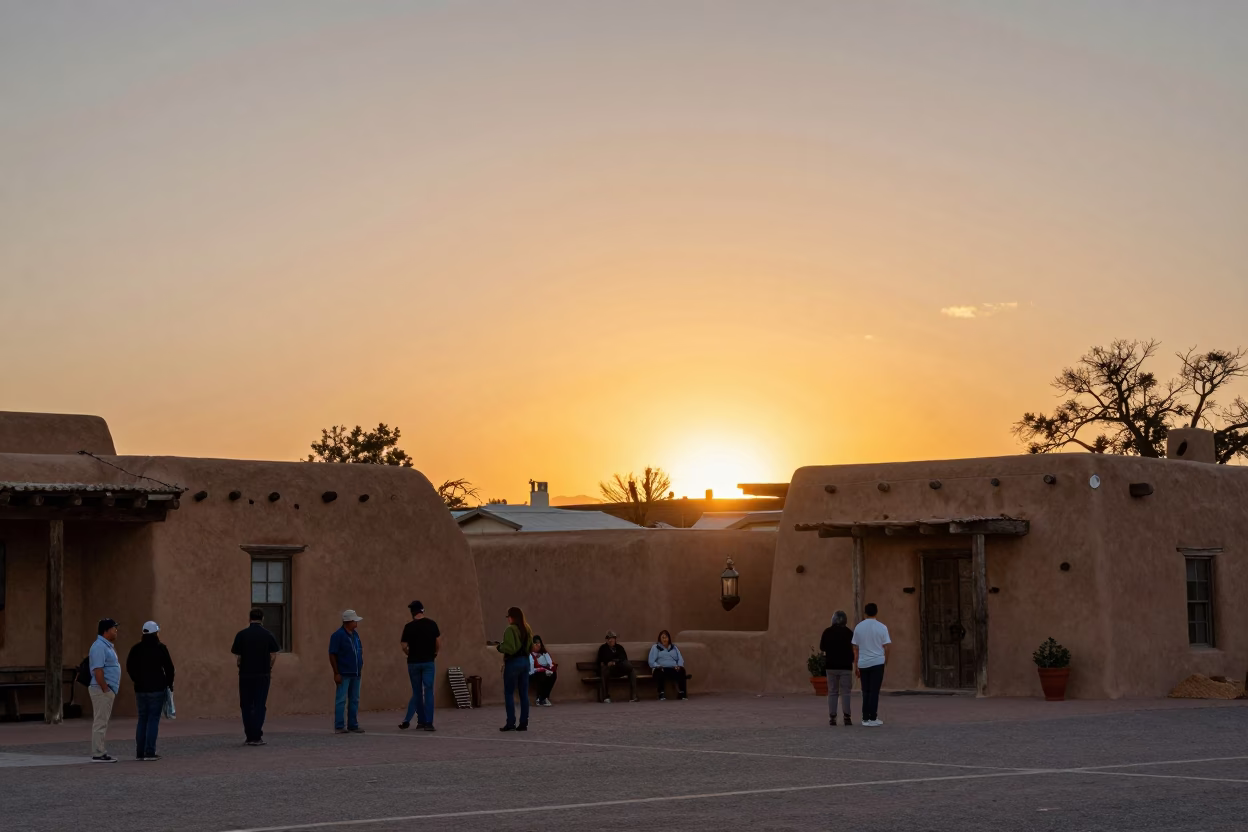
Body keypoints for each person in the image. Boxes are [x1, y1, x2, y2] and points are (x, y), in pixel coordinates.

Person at [125, 620, 175, 760]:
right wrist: (169, 684)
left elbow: (129, 667)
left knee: (142, 719)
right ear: (156, 632)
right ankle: (150, 752)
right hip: (157, 688)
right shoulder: (160, 648)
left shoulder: (136, 648)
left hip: (140, 689)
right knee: (153, 719)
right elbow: (169, 668)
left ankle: (139, 752)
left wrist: (136, 680)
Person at [231, 608, 280, 746]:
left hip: (245, 674)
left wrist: (241, 666)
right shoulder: (268, 635)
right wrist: (269, 667)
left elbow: (238, 657)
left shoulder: (241, 635)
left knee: (246, 705)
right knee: (259, 705)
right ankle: (257, 735)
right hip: (262, 674)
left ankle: (249, 735)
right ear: (262, 619)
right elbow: (273, 654)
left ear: (249, 618)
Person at [399, 600, 441, 732]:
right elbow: (438, 642)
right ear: (422, 610)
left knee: (417, 692)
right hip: (428, 661)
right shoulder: (432, 624)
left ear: (412, 613)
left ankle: (421, 721)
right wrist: (434, 653)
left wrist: (409, 653)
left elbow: (403, 645)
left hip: (413, 663)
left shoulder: (408, 626)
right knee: (428, 691)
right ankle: (429, 722)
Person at [852, 602, 891, 727]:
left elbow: (856, 648)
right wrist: (885, 661)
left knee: (866, 690)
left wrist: (856, 665)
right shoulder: (882, 627)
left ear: (865, 612)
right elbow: (887, 647)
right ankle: (873, 717)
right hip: (877, 662)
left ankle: (865, 717)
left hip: (863, 662)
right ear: (876, 612)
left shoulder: (859, 627)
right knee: (874, 691)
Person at [88, 618, 121, 762]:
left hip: (106, 689)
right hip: (101, 690)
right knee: (100, 721)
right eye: (114, 628)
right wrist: (105, 688)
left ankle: (99, 750)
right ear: (106, 630)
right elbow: (98, 670)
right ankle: (98, 752)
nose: (116, 631)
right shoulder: (99, 646)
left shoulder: (107, 646)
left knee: (102, 721)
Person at [495, 607, 532, 731]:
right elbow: (530, 647)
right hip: (525, 661)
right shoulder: (527, 629)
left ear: (511, 617)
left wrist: (499, 647)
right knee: (523, 694)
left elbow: (509, 648)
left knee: (509, 692)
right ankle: (524, 723)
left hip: (513, 662)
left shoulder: (510, 629)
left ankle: (511, 722)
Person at [329, 610, 365, 734]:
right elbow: (332, 654)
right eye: (354, 621)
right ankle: (339, 725)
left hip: (356, 673)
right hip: (344, 672)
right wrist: (336, 672)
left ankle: (353, 724)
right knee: (341, 699)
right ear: (348, 621)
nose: (356, 623)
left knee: (355, 699)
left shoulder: (355, 635)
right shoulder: (337, 636)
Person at [820, 611, 854, 727]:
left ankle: (832, 717)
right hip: (846, 667)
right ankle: (847, 717)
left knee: (832, 692)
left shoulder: (827, 632)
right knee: (846, 692)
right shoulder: (849, 633)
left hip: (831, 666)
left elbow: (822, 647)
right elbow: (853, 648)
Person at [596, 630, 638, 704]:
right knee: (604, 670)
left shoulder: (619, 648)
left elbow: (623, 658)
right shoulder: (603, 648)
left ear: (615, 639)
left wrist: (615, 661)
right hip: (609, 670)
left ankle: (634, 696)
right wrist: (609, 662)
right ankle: (606, 697)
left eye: (612, 638)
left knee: (631, 670)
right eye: (609, 639)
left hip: (620, 668)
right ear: (607, 640)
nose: (611, 640)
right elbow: (602, 659)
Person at [647, 630, 688, 701]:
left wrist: (679, 665)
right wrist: (658, 666)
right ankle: (661, 693)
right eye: (662, 637)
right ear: (660, 639)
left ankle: (682, 693)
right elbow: (651, 661)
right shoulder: (656, 647)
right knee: (659, 672)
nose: (664, 639)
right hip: (661, 668)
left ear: (669, 638)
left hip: (672, 668)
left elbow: (680, 658)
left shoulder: (674, 647)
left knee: (682, 671)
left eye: (666, 637)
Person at [529, 635, 557, 706]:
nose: (538, 645)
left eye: (539, 643)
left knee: (553, 675)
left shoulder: (544, 653)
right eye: (535, 643)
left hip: (544, 671)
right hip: (532, 673)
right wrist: (540, 669)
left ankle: (544, 697)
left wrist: (548, 668)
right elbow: (531, 669)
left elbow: (550, 663)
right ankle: (539, 698)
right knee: (542, 676)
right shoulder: (530, 654)